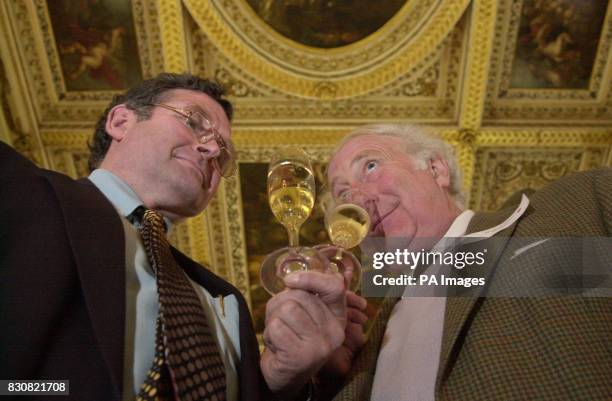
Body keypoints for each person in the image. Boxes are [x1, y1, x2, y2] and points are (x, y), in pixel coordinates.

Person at [0, 73, 364, 401]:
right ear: (121, 121)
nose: (211, 150)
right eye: (193, 122)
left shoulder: (227, 302)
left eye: (222, 154)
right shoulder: (18, 189)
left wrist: (284, 378)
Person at [324, 123, 612, 400]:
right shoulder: (358, 349)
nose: (357, 201)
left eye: (370, 166)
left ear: (436, 169)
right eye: (343, 194)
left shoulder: (581, 204)